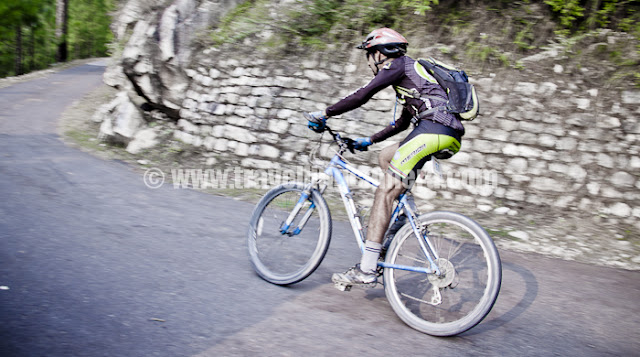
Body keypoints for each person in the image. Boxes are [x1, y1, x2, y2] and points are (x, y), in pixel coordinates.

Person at [305, 28, 465, 287]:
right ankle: (402, 213)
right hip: (447, 135)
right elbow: (402, 123)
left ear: (380, 53)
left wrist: (325, 112)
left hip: (432, 130)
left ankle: (367, 268)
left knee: (383, 192)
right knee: (386, 156)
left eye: (369, 55)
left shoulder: (397, 65)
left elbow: (362, 95)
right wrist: (368, 140)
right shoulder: (411, 78)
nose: (369, 62)